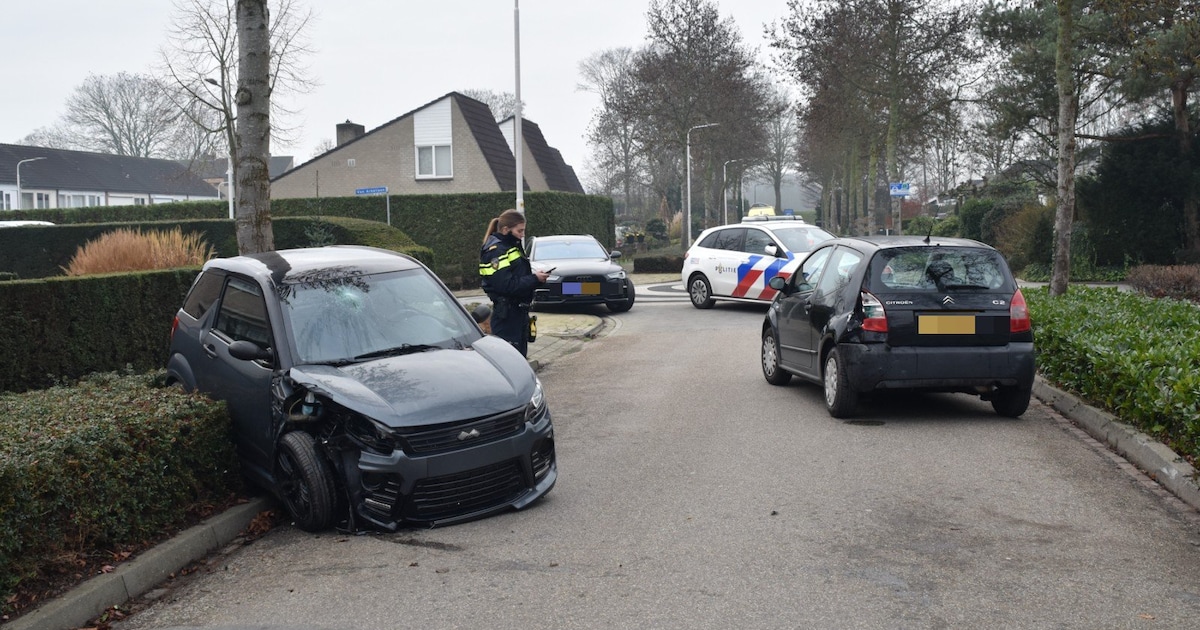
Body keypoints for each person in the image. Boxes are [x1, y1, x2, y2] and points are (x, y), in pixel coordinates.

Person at [478, 209, 549, 357]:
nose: (522, 235)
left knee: (520, 360)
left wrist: (536, 279)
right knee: (509, 361)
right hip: (507, 316)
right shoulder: (495, 252)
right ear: (505, 230)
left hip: (518, 313)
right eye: (519, 231)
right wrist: (535, 279)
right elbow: (505, 285)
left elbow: (519, 277)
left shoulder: (511, 247)